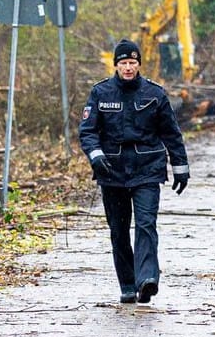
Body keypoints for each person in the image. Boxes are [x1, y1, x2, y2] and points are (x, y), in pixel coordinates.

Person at [79, 38, 190, 304]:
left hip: (147, 169)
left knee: (145, 224)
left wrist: (180, 167)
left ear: (139, 64)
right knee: (118, 230)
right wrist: (96, 156)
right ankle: (128, 284)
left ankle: (147, 279)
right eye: (123, 63)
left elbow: (171, 133)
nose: (128, 68)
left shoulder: (155, 94)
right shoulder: (100, 93)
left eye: (132, 63)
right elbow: (88, 131)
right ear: (115, 65)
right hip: (112, 171)